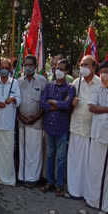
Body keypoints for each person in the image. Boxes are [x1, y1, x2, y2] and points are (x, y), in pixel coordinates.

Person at [67, 55, 101, 199]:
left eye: (86, 65)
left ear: (93, 67)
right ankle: (73, 190)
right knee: (74, 162)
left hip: (90, 130)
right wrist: (71, 102)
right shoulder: (76, 82)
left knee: (88, 164)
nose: (83, 67)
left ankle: (87, 193)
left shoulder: (100, 83)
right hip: (75, 128)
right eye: (82, 64)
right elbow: (67, 103)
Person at [40, 59, 75, 196]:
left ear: (66, 72)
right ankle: (50, 182)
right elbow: (43, 102)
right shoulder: (49, 86)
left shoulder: (70, 88)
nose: (57, 71)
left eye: (61, 69)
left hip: (62, 128)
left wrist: (53, 103)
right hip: (49, 126)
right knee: (49, 156)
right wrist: (58, 105)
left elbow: (67, 106)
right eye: (56, 68)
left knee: (61, 157)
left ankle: (60, 184)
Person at [0, 58, 21, 185]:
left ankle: (8, 177)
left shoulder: (15, 83)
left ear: (10, 69)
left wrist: (12, 99)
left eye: (6, 68)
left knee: (8, 152)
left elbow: (19, 100)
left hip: (8, 123)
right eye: (1, 67)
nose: (4, 70)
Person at [17, 55, 47, 188]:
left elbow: (44, 103)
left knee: (34, 151)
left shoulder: (42, 81)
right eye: (25, 65)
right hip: (22, 122)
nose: (27, 67)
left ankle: (33, 178)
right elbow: (15, 102)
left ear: (35, 66)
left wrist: (35, 117)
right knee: (23, 150)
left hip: (36, 122)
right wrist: (20, 116)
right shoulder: (18, 81)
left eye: (30, 65)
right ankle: (23, 176)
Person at [85, 61, 108, 213]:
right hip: (97, 136)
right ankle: (93, 200)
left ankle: (104, 204)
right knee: (95, 169)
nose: (104, 75)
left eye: (107, 71)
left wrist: (102, 110)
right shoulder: (99, 89)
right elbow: (92, 107)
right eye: (103, 72)